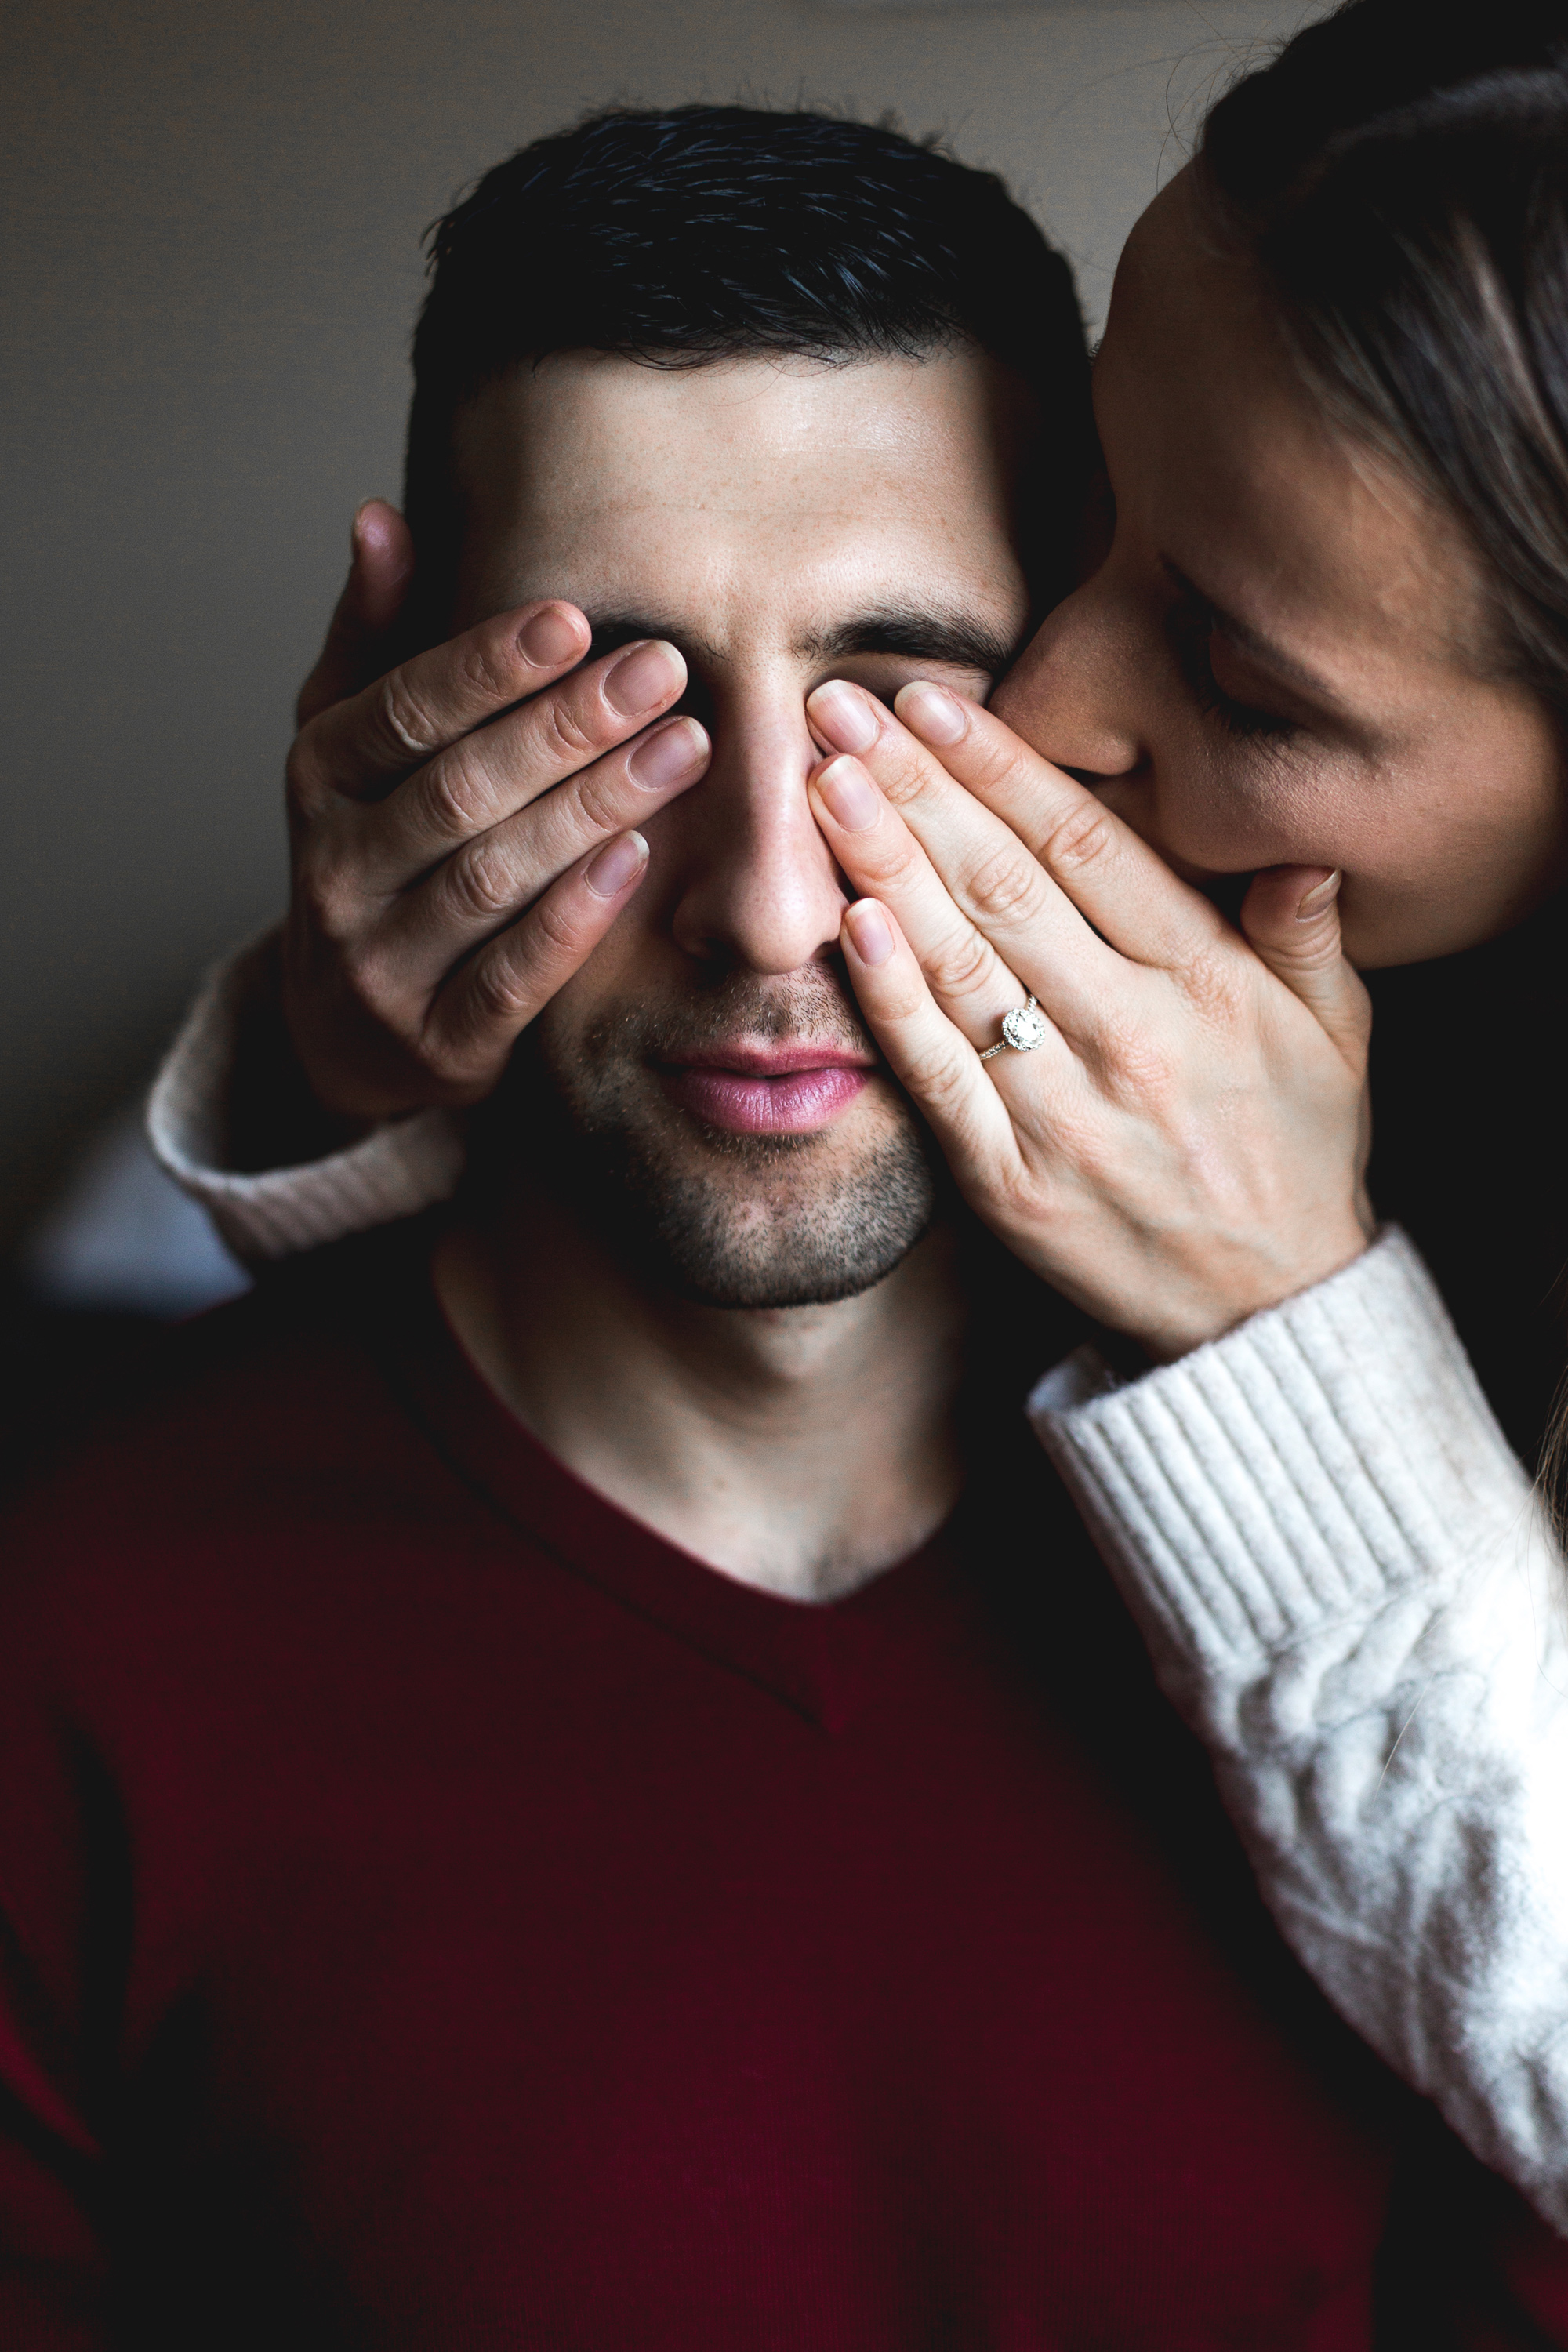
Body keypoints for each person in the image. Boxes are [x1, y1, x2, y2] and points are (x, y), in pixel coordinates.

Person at [8, 90, 1562, 2349]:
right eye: (599, 720)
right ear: (410, 724)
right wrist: (339, 1071)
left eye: (902, 700)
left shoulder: (1483, 1493)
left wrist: (1302, 1348)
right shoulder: (89, 1637)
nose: (763, 905)